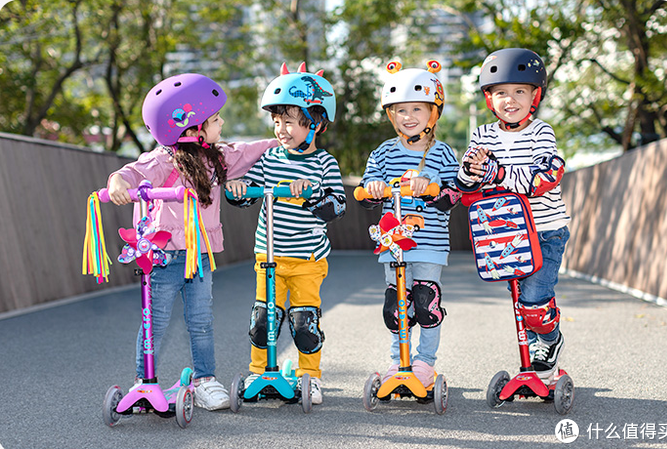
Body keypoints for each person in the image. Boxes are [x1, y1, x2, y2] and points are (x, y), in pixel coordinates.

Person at [107, 73, 277, 410]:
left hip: (199, 256)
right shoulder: (163, 160)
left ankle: (204, 380)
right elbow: (132, 172)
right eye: (215, 119)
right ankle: (145, 382)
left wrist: (282, 142)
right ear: (191, 129)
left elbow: (249, 151)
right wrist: (117, 183)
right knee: (153, 322)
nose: (222, 122)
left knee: (201, 321)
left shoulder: (217, 158)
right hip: (163, 258)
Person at [225, 62, 346, 405]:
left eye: (290, 121)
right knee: (264, 318)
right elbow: (250, 189)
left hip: (308, 259)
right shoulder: (268, 158)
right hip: (268, 254)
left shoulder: (325, 164)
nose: (281, 129)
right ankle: (260, 370)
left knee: (304, 323)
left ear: (316, 123)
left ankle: (311, 376)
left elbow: (337, 207)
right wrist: (238, 188)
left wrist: (313, 195)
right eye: (277, 121)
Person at [456, 48, 570, 384]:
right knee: (520, 304)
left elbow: (538, 180)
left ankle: (549, 342)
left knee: (534, 301)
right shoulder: (482, 136)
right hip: (504, 232)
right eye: (501, 92)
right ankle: (536, 362)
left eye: (520, 91)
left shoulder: (540, 133)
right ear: (489, 98)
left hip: (545, 230)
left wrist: (496, 171)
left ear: (535, 96)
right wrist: (471, 169)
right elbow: (467, 185)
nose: (511, 99)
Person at [357, 60, 460, 387]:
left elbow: (454, 193)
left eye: (417, 108)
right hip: (393, 243)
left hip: (429, 243)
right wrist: (372, 189)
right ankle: (396, 362)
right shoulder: (383, 153)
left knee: (425, 303)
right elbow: (367, 186)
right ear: (391, 115)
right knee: (396, 305)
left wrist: (432, 188)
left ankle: (425, 363)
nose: (409, 116)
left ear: (433, 112)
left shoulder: (442, 153)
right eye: (401, 110)